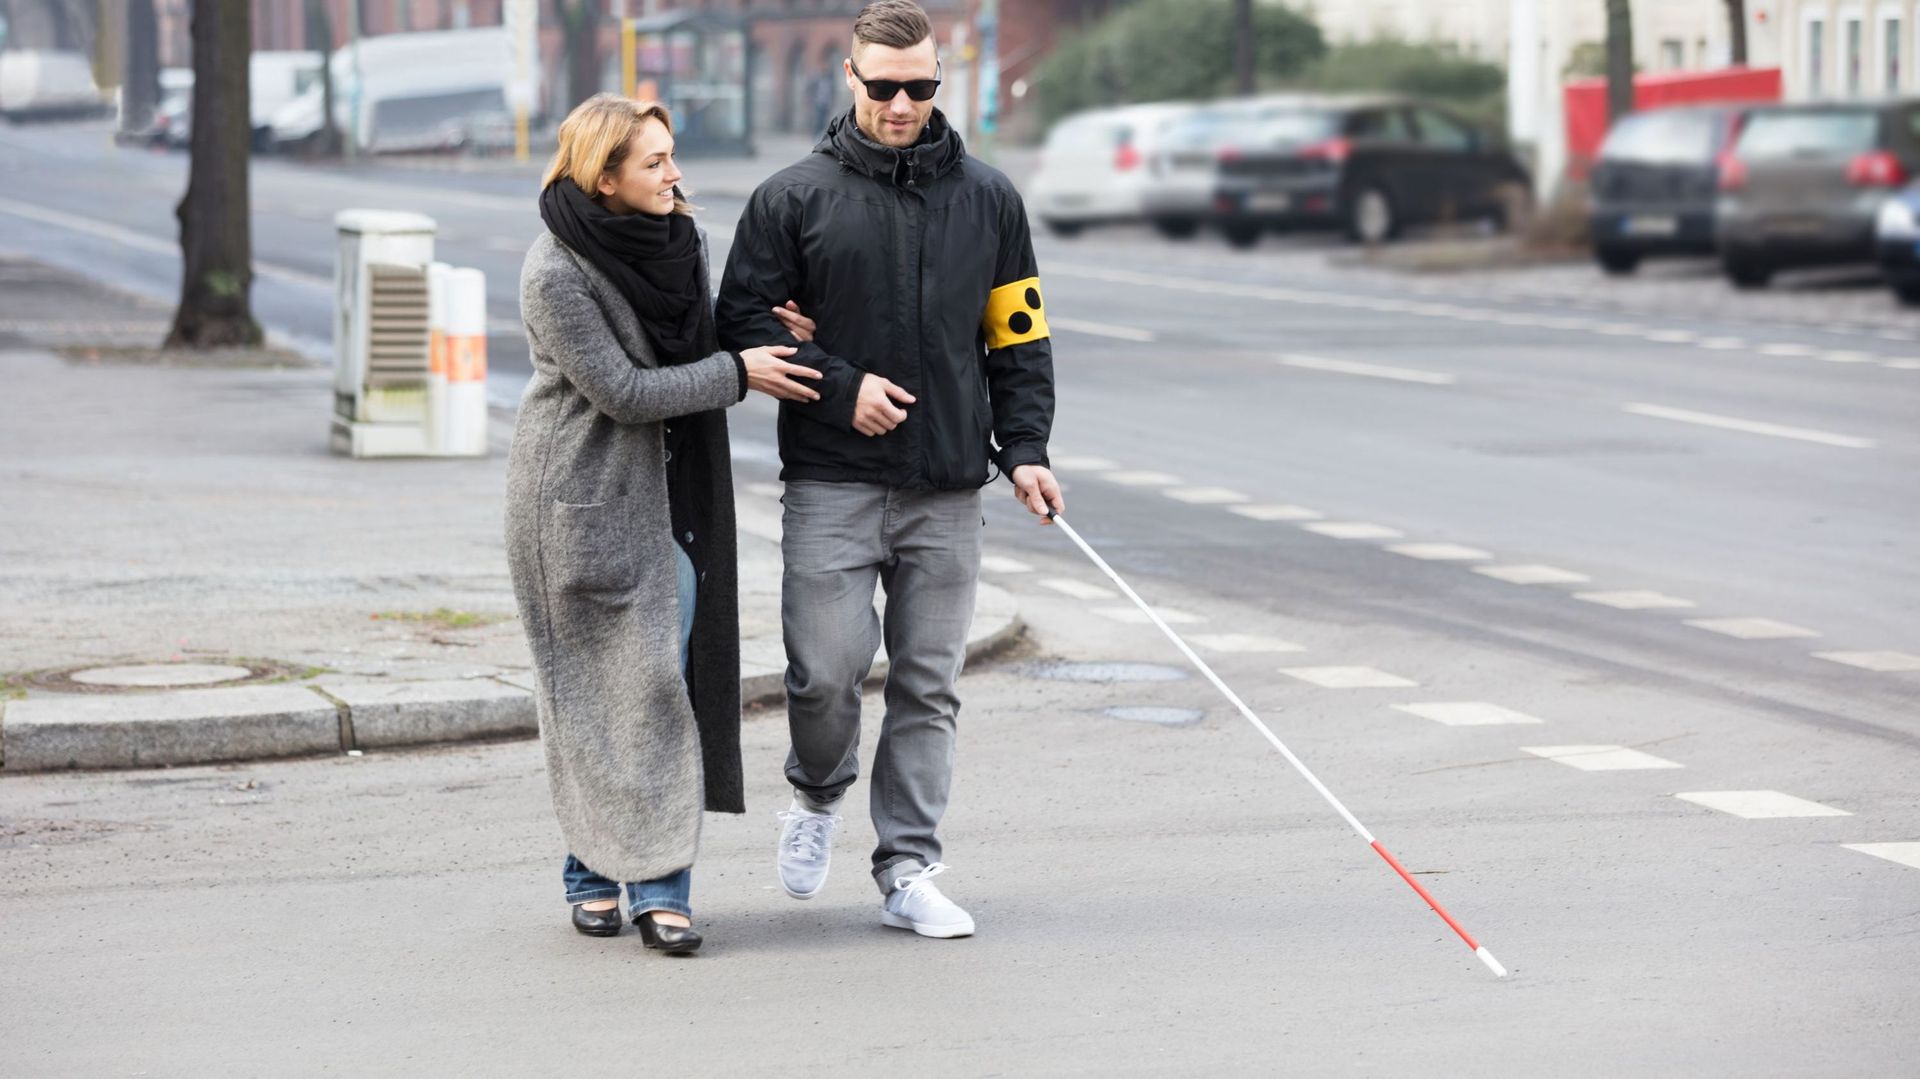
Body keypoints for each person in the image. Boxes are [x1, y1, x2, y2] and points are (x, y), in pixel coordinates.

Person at [716, 0, 1062, 940]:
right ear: (851, 79)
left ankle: (909, 865)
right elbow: (741, 324)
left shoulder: (990, 200)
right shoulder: (794, 198)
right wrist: (838, 388)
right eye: (884, 87)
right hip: (833, 479)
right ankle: (818, 789)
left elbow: (1018, 340)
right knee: (825, 675)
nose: (902, 104)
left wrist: (1026, 452)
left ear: (938, 82)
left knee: (927, 682)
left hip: (949, 484)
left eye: (920, 87)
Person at [505, 93, 822, 955]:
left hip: (679, 496)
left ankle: (634, 878)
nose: (675, 175)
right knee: (603, 691)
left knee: (657, 686)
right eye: (654, 163)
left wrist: (759, 334)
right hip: (583, 502)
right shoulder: (554, 271)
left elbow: (689, 345)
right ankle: (622, 879)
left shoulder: (684, 240)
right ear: (603, 177)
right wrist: (737, 371)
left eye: (672, 156)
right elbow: (628, 392)